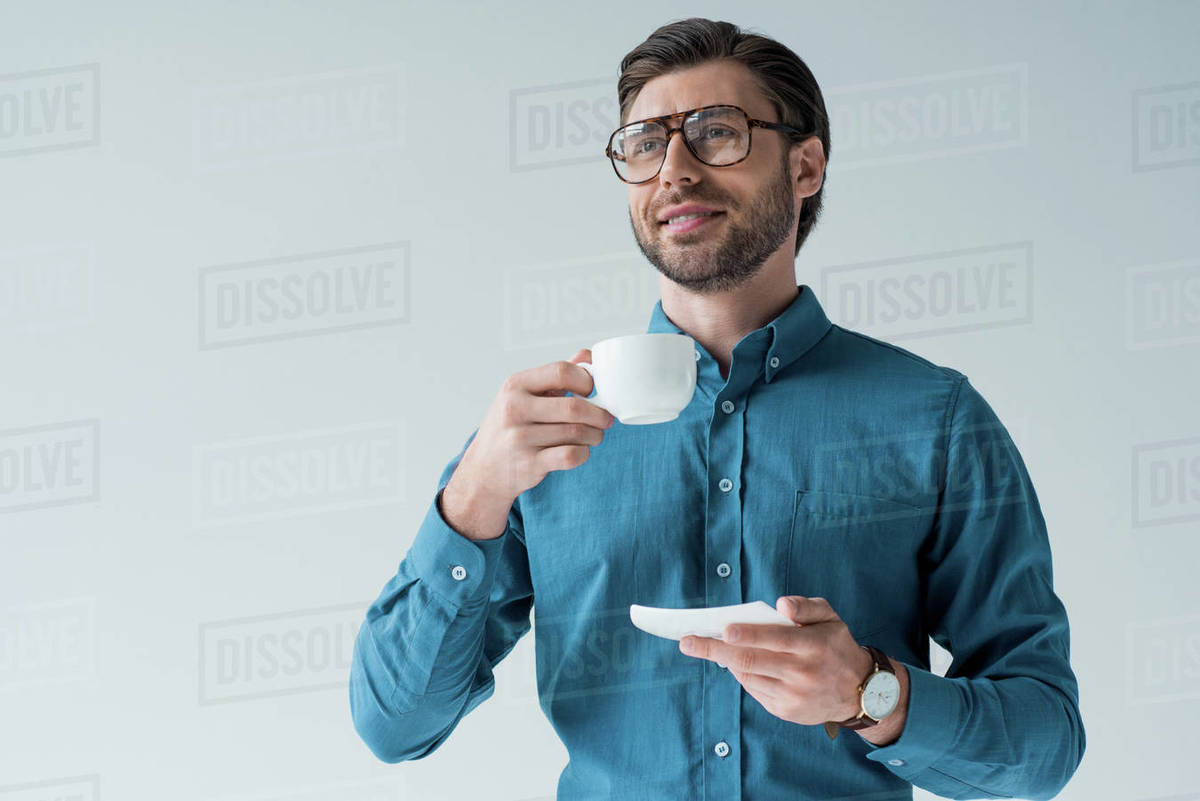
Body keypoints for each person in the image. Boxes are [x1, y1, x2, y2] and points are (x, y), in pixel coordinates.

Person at [349, 17, 1085, 801]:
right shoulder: (540, 431)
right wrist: (469, 500)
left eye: (716, 133)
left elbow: (1044, 742)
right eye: (643, 143)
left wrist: (872, 693)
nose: (674, 171)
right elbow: (395, 724)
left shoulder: (935, 419)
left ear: (805, 166)